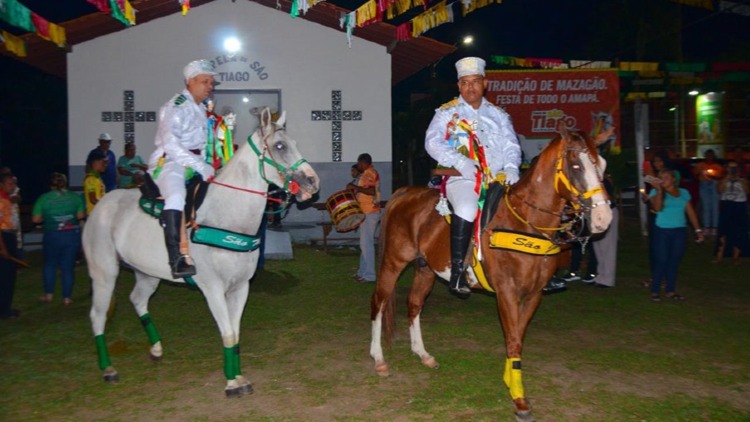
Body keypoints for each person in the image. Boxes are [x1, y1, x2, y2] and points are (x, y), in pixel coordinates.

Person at [425, 56, 522, 298]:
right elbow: (432, 142)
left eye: (475, 82)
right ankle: (458, 271)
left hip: (498, 179)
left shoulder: (499, 115)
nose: (470, 87)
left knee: (526, 208)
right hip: (463, 178)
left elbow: (512, 144)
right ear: (459, 86)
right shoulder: (447, 113)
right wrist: (460, 161)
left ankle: (538, 267)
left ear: (485, 83)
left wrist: (512, 168)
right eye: (465, 83)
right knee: (468, 208)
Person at [147, 59, 216, 278]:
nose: (209, 86)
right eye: (205, 81)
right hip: (171, 162)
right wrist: (200, 166)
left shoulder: (201, 108)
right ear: (190, 82)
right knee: (176, 196)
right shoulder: (176, 106)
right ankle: (176, 257)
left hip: (195, 165)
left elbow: (202, 144)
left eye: (211, 82)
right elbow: (172, 145)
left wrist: (209, 164)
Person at [647, 168, 704, 302]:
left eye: (666, 177)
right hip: (662, 230)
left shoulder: (683, 193)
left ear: (673, 179)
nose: (663, 180)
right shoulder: (655, 191)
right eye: (660, 177)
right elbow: (657, 208)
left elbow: (690, 212)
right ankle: (655, 290)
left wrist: (697, 230)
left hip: (679, 230)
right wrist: (660, 191)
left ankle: (670, 290)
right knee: (661, 260)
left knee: (674, 260)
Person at [32, 173, 85, 305]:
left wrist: (48, 217)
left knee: (50, 265)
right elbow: (80, 215)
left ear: (51, 184)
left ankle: (48, 295)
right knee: (68, 267)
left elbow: (35, 219)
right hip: (71, 236)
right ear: (66, 183)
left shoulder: (44, 198)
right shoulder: (75, 197)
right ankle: (66, 298)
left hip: (52, 235)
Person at [347, 153, 380, 283]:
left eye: (359, 163)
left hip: (370, 212)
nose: (358, 165)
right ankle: (362, 272)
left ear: (362, 163)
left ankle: (370, 275)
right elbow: (364, 191)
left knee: (367, 245)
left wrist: (354, 187)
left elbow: (371, 192)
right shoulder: (366, 174)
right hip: (365, 212)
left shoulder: (369, 173)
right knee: (364, 244)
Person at [714, 160, 749, 264]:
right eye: (730, 167)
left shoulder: (743, 179)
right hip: (727, 205)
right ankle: (719, 256)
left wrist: (740, 179)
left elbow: (747, 191)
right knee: (724, 231)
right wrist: (726, 178)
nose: (732, 170)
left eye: (734, 168)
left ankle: (736, 257)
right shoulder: (724, 179)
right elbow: (719, 190)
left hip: (739, 206)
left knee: (739, 231)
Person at [590, 174, 619, 288]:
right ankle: (601, 276)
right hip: (595, 213)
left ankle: (608, 279)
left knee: (608, 246)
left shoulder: (603, 181)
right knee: (598, 246)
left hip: (608, 212)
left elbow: (608, 199)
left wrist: (600, 184)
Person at [0, 171, 21, 319]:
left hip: (10, 236)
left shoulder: (8, 199)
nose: (13, 186)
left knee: (9, 276)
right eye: (9, 183)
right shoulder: (1, 201)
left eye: (14, 183)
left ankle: (6, 307)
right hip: (4, 237)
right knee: (6, 277)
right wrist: (3, 248)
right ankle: (4, 310)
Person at [693, 149, 723, 236]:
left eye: (711, 155)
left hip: (714, 184)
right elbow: (694, 174)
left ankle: (714, 227)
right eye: (707, 155)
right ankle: (706, 226)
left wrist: (713, 176)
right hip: (704, 185)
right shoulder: (700, 165)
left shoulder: (717, 166)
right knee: (706, 206)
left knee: (715, 206)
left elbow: (720, 176)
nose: (709, 157)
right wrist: (699, 174)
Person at [84, 150, 107, 216]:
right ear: (95, 163)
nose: (105, 165)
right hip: (94, 216)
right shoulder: (90, 179)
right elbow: (93, 199)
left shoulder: (97, 178)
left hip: (99, 213)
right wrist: (106, 206)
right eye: (103, 162)